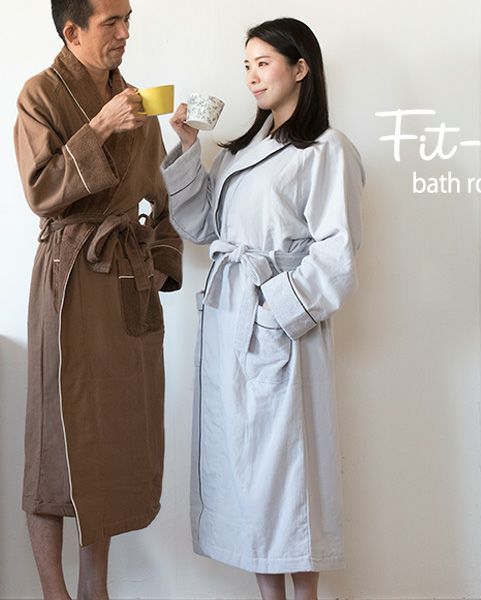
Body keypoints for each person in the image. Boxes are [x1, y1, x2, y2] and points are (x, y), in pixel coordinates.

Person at [161, 17, 364, 600]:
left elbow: (338, 252)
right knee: (248, 478)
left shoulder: (326, 150)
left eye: (264, 63)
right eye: (246, 65)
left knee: (288, 475)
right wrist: (189, 147)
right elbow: (202, 227)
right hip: (231, 322)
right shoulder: (240, 152)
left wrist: (277, 307)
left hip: (279, 328)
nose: (252, 76)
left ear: (300, 68)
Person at [13, 0, 182, 598]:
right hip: (67, 282)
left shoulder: (139, 102)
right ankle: (54, 593)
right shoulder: (39, 94)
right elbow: (40, 189)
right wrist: (101, 128)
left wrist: (160, 263)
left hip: (124, 281)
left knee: (106, 440)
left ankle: (95, 589)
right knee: (54, 441)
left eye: (128, 18)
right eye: (112, 21)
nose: (126, 32)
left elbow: (157, 198)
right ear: (72, 31)